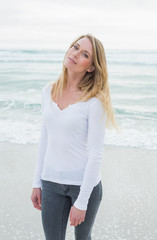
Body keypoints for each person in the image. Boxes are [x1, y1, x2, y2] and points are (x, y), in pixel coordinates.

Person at [31, 33, 119, 240]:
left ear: (90, 67)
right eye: (75, 47)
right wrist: (37, 182)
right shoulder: (48, 91)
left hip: (84, 185)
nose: (75, 54)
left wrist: (82, 202)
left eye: (85, 53)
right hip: (51, 182)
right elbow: (45, 139)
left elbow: (96, 154)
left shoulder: (94, 101)